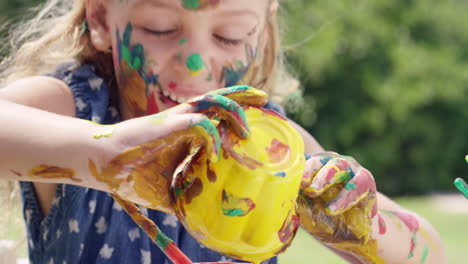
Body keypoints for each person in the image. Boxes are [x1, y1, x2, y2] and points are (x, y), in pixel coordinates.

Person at [0, 0, 446, 263]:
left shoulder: (273, 146)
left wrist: (365, 226)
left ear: (263, 28)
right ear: (100, 19)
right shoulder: (76, 108)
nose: (195, 62)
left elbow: (431, 253)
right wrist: (103, 154)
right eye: (160, 28)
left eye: (230, 36)